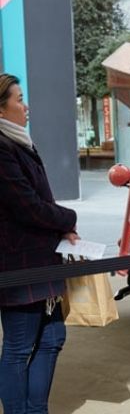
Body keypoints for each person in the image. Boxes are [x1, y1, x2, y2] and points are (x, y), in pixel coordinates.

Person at [0, 74, 79, 414]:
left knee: (52, 338)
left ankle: (36, 410)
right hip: (19, 267)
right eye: (19, 99)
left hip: (40, 262)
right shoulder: (2, 150)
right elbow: (27, 205)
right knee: (19, 347)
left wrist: (60, 226)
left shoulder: (18, 143)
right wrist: (67, 218)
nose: (26, 106)